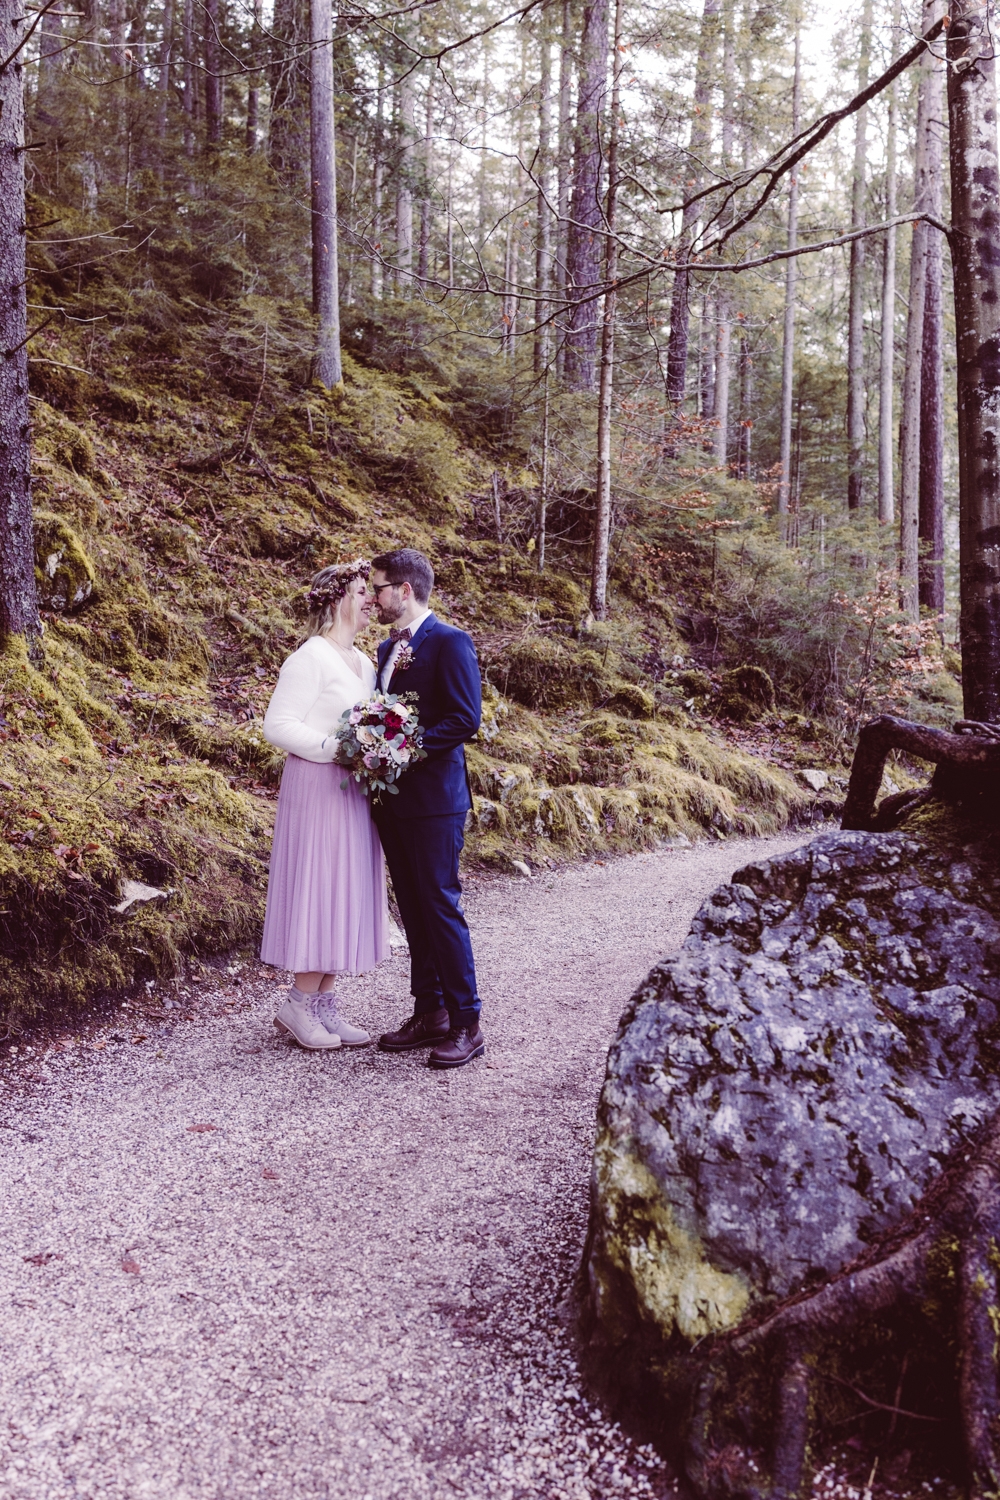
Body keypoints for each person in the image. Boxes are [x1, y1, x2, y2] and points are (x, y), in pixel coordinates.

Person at [260, 559, 388, 1050]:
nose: (370, 600)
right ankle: (297, 1002)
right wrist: (342, 750)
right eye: (361, 591)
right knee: (319, 885)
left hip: (353, 790)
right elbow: (278, 725)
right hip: (316, 784)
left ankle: (324, 1003)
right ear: (336, 599)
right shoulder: (310, 656)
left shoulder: (364, 663)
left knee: (343, 888)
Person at [369, 548, 485, 1069]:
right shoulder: (385, 649)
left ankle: (467, 1023)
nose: (372, 598)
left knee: (440, 906)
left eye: (378, 588)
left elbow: (464, 719)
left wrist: (402, 747)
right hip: (393, 801)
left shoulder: (451, 642)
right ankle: (429, 1012)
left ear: (405, 591)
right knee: (413, 909)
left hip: (437, 801)